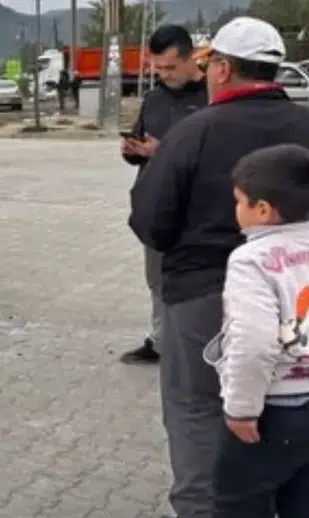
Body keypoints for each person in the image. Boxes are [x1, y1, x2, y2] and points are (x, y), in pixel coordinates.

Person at [128, 16, 309, 518]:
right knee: (285, 406)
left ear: (224, 69)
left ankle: (203, 508)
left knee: (196, 411)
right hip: (301, 299)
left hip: (202, 299)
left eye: (211, 64)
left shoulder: (193, 133)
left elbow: (150, 222)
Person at [205, 143, 309, 518]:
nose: (236, 210)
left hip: (274, 410)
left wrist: (242, 409)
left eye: (239, 201)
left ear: (263, 210)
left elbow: (253, 343)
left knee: (238, 506)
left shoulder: (250, 259)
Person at [120, 24, 208, 365]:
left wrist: (164, 151)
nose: (164, 74)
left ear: (191, 59)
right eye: (158, 68)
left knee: (202, 280)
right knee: (157, 278)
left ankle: (201, 345)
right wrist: (133, 151)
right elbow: (142, 139)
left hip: (199, 208)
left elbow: (217, 154)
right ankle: (160, 341)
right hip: (158, 204)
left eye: (170, 67)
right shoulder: (155, 98)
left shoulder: (211, 97)